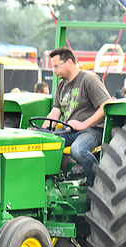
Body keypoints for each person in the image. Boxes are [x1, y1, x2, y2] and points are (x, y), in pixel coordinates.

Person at [45, 46, 111, 186]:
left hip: (91, 131)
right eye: (53, 67)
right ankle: (54, 184)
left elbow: (106, 105)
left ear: (69, 62)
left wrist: (84, 124)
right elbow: (56, 111)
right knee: (44, 144)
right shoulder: (61, 85)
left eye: (57, 66)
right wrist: (42, 131)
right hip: (69, 131)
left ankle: (96, 185)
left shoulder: (89, 79)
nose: (54, 71)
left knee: (78, 150)